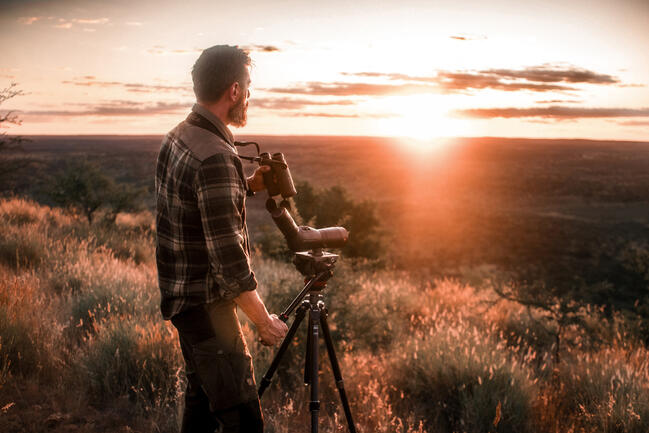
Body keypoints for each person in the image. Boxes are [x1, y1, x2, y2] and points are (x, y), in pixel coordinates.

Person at [155, 45, 288, 433]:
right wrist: (264, 321)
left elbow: (191, 203)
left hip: (182, 301)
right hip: (208, 307)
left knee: (201, 410)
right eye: (247, 87)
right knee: (243, 421)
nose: (248, 95)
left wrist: (244, 186)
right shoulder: (215, 155)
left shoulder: (179, 135)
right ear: (233, 90)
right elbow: (229, 258)